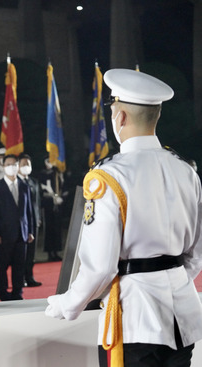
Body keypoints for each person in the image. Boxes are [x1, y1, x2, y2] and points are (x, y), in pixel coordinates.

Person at [45, 69, 202, 367]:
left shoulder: (108, 176)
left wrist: (67, 304)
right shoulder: (186, 171)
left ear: (120, 118)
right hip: (183, 312)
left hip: (136, 317)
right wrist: (168, 278)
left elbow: (100, 266)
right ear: (155, 117)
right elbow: (197, 253)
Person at [0, 154, 35, 301]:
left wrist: (31, 231)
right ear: (3, 167)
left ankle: (18, 292)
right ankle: (3, 294)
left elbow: (29, 212)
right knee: (3, 267)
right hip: (4, 235)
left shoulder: (24, 186)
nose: (12, 167)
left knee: (19, 266)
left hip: (22, 234)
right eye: (8, 164)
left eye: (14, 164)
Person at [18, 154, 42, 287]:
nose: (26, 167)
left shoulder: (33, 182)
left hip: (34, 222)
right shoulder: (16, 182)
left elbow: (37, 202)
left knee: (32, 252)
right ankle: (20, 278)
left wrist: (38, 218)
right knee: (22, 252)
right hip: (22, 223)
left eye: (28, 164)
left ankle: (29, 276)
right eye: (23, 164)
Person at [39, 157, 65, 261]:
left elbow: (62, 186)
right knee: (49, 228)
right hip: (48, 204)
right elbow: (42, 188)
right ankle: (50, 252)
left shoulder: (57, 174)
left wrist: (61, 197)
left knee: (57, 228)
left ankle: (56, 251)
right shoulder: (43, 174)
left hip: (57, 203)